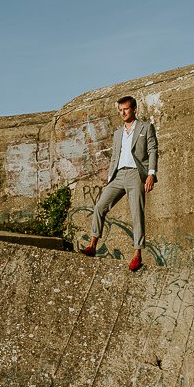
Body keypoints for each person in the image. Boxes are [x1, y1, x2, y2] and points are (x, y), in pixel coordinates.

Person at [78, 95, 159, 271]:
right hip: (118, 176)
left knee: (137, 213)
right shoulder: (117, 133)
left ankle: (137, 255)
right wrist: (109, 179)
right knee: (100, 206)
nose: (122, 113)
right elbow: (115, 156)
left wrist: (151, 174)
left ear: (134, 109)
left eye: (126, 109)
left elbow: (153, 150)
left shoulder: (146, 128)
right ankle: (92, 245)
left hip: (136, 174)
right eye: (120, 110)